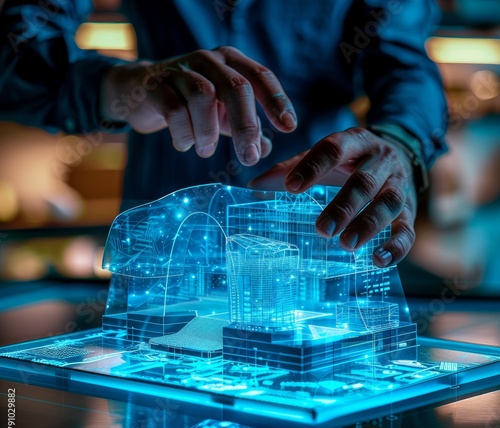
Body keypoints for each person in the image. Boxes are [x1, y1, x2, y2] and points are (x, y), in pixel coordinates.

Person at [0, 0, 447, 267]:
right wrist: (126, 88)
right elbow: (15, 53)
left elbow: (406, 64)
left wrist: (402, 142)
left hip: (317, 250)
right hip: (164, 258)